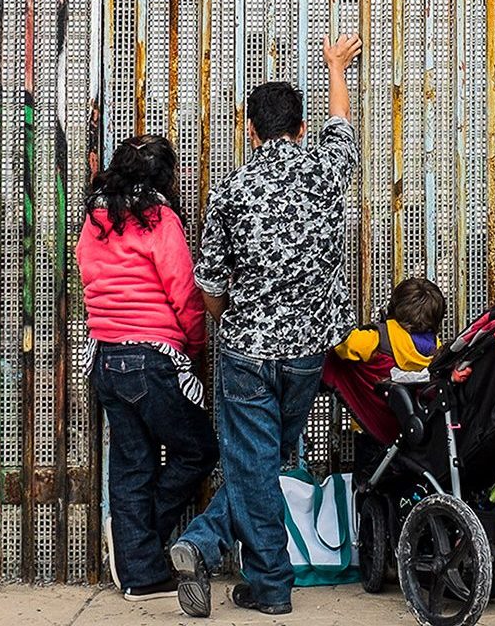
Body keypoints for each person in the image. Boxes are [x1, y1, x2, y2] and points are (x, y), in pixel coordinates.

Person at [171, 34, 364, 618]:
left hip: (248, 350)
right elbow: (343, 124)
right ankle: (226, 560)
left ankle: (255, 575)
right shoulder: (329, 170)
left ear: (249, 131)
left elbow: (209, 287)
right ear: (302, 130)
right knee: (266, 460)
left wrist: (232, 326)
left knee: (253, 461)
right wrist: (336, 67)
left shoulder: (231, 189)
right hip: (307, 353)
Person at [78, 134, 215, 602]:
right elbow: (185, 295)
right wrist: (194, 351)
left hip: (106, 358)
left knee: (132, 464)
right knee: (197, 450)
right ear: (163, 177)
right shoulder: (160, 218)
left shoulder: (94, 219)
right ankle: (139, 542)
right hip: (154, 357)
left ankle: (140, 569)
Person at [323, 275, 447, 447]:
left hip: (371, 425)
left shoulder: (378, 339)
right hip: (412, 431)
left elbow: (343, 346)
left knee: (368, 472)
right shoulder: (436, 349)